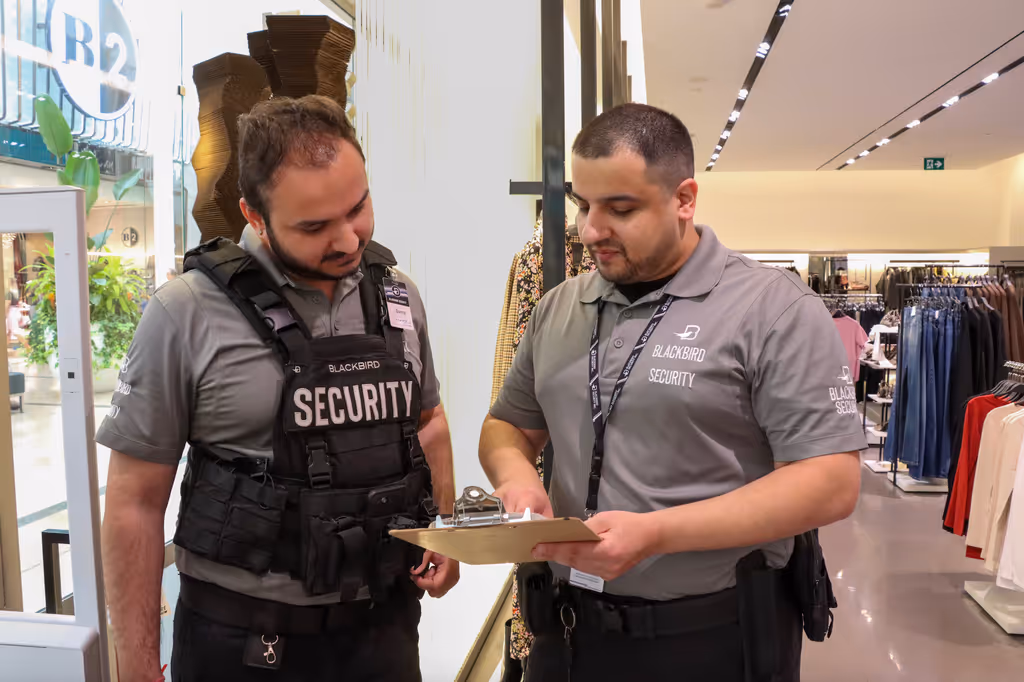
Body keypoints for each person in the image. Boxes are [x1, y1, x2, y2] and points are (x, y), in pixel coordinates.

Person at [480, 103, 865, 681]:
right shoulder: (559, 307)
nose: (590, 230)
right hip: (566, 630)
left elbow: (830, 482)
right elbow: (508, 425)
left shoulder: (773, 309)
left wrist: (657, 533)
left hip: (713, 637)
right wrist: (518, 481)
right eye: (584, 205)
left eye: (620, 209)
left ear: (684, 200)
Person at [100, 95, 459, 682]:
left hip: (382, 628)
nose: (348, 239)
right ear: (256, 215)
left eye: (358, 207)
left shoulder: (398, 296)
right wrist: (136, 666)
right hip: (241, 640)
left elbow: (428, 420)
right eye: (314, 226)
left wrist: (442, 530)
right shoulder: (185, 314)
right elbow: (135, 501)